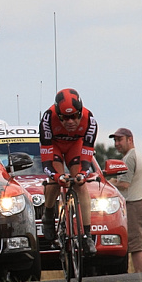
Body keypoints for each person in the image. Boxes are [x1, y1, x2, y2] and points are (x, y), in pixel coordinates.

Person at [39, 88, 98, 255]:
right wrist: (57, 176)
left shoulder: (90, 121)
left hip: (75, 146)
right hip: (55, 147)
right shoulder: (47, 119)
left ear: (81, 112)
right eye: (65, 118)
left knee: (81, 185)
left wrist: (82, 174)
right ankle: (49, 215)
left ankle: (87, 236)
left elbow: (86, 158)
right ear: (58, 115)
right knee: (56, 183)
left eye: (75, 116)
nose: (71, 121)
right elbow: (46, 163)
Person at [109, 128, 142, 272]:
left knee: (136, 248)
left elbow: (124, 184)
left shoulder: (129, 158)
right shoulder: (141, 156)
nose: (117, 144)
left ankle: (141, 280)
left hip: (135, 204)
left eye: (120, 140)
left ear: (130, 139)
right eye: (115, 141)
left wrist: (111, 182)